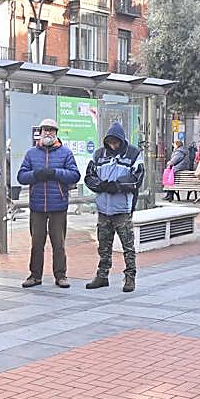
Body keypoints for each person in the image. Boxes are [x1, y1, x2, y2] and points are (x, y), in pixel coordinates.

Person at [18, 118, 80, 287]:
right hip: (37, 206)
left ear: (56, 133)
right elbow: (21, 176)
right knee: (36, 243)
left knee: (58, 243)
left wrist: (55, 173)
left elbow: (75, 175)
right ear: (40, 132)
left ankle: (61, 275)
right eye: (45, 129)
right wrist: (35, 174)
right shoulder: (31, 153)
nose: (48, 133)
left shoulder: (66, 153)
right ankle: (35, 275)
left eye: (51, 130)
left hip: (58, 205)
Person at [84, 121, 144, 292]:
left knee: (128, 246)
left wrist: (117, 185)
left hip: (122, 209)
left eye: (116, 142)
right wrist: (101, 185)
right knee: (103, 245)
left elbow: (137, 178)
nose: (113, 145)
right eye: (110, 142)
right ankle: (102, 276)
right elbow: (89, 176)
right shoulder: (98, 154)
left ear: (121, 141)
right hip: (103, 209)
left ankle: (130, 277)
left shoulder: (133, 154)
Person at [165, 134, 191, 200]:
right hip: (182, 168)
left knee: (169, 176)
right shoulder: (183, 151)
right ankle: (169, 194)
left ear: (177, 145)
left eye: (174, 144)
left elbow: (174, 160)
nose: (173, 145)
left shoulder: (179, 152)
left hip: (178, 168)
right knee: (170, 177)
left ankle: (169, 194)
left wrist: (169, 163)